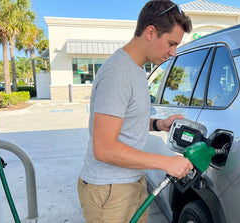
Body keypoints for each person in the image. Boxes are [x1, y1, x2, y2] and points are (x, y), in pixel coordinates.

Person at [77, 1, 193, 222]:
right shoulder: (117, 73)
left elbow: (125, 120)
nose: (173, 52)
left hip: (130, 181)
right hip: (108, 191)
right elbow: (104, 148)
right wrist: (166, 162)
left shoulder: (137, 69)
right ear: (151, 32)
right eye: (171, 43)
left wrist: (159, 124)